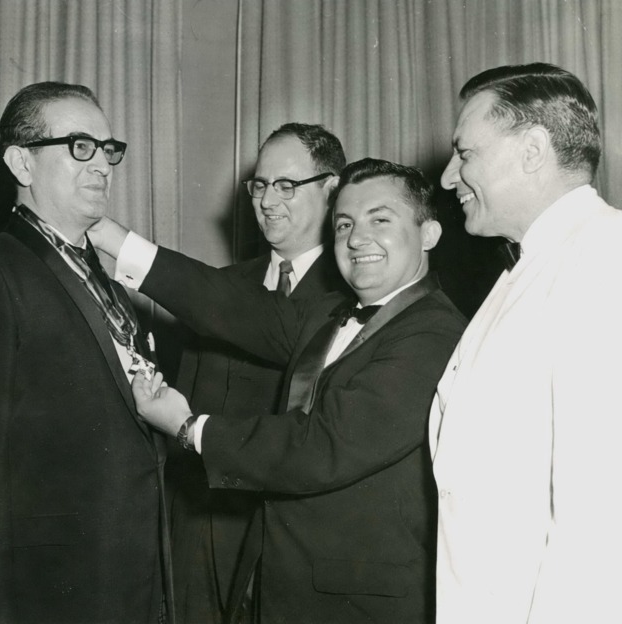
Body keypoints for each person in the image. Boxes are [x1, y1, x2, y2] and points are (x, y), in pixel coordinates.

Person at [91, 157, 467, 624]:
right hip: (279, 586)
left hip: (360, 605)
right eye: (344, 224)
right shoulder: (326, 313)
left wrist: (188, 428)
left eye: (380, 220)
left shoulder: (436, 334)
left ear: (429, 234)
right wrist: (108, 236)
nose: (356, 238)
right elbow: (222, 301)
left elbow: (321, 447)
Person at [0, 82, 171, 624]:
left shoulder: (109, 285)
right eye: (80, 146)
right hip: (44, 597)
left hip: (128, 587)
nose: (102, 164)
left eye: (108, 149)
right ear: (21, 163)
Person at [430, 63, 622, 624]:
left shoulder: (604, 259)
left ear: (533, 151)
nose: (447, 177)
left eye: (465, 154)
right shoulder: (529, 266)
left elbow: (599, 518)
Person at [171, 122, 348, 624]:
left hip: (284, 543)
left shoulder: (349, 297)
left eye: (286, 185)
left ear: (331, 189)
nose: (268, 201)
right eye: (261, 185)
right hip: (197, 532)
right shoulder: (218, 289)